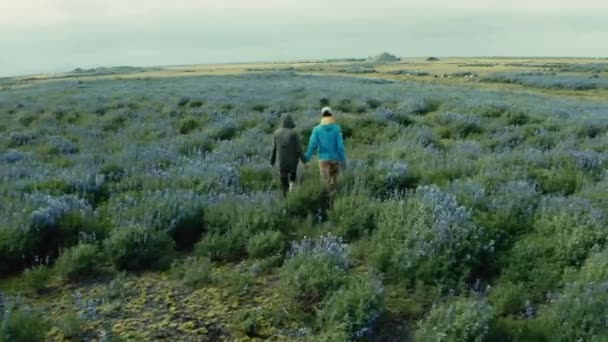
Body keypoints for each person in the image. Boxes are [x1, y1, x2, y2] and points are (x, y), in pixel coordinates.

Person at [304, 107, 346, 194]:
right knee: (335, 182)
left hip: (323, 160)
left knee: (325, 183)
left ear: (322, 116)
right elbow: (340, 147)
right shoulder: (337, 129)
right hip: (335, 159)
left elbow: (312, 146)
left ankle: (327, 200)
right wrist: (343, 159)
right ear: (331, 115)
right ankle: (335, 200)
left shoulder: (317, 129)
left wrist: (306, 159)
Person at [270, 113, 306, 196]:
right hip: (292, 162)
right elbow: (299, 150)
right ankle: (292, 189)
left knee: (283, 180)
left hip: (281, 162)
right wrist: (305, 161)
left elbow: (273, 149)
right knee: (292, 178)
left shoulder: (276, 134)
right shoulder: (293, 134)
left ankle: (286, 197)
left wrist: (271, 161)